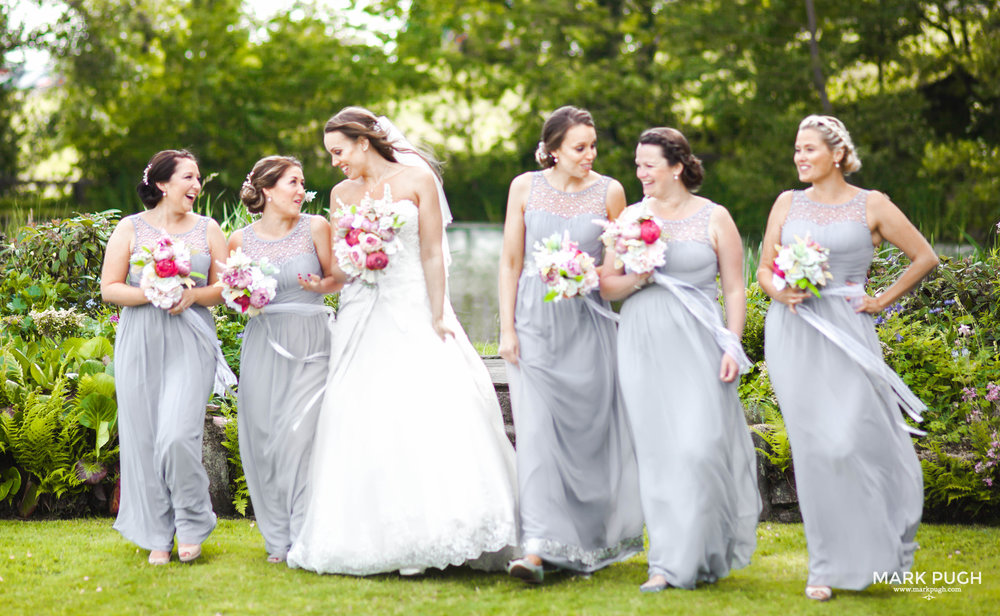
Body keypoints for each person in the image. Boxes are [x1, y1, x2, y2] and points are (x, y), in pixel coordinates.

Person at [286, 107, 518, 575]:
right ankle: (371, 536)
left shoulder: (417, 181)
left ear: (362, 142)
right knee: (361, 413)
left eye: (338, 151)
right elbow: (344, 265)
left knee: (430, 407)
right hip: (362, 311)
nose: (334, 162)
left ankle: (447, 527)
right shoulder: (341, 193)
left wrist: (437, 312)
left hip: (413, 302)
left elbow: (432, 252)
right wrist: (326, 284)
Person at [758, 115, 938, 601]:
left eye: (808, 149)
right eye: (796, 149)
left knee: (851, 440)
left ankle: (885, 538)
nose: (799, 157)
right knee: (814, 447)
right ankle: (823, 565)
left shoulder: (872, 204)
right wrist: (782, 290)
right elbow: (763, 269)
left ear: (837, 154)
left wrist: (880, 300)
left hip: (848, 329)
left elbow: (924, 256)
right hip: (794, 331)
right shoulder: (786, 203)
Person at [600, 127, 761, 592]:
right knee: (656, 452)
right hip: (643, 339)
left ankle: (703, 549)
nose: (639, 172)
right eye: (636, 164)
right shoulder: (630, 216)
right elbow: (608, 286)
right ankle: (667, 563)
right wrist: (640, 278)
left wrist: (732, 343)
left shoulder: (715, 217)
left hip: (699, 343)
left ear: (676, 166)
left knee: (698, 448)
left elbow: (734, 287)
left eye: (648, 164)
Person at [499, 106, 643, 582]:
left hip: (588, 325)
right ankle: (537, 548)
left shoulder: (611, 192)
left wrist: (587, 271)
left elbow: (617, 266)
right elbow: (510, 262)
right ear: (553, 150)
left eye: (593, 146)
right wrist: (507, 329)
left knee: (585, 434)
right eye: (580, 147)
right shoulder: (524, 187)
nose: (590, 155)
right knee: (537, 435)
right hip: (534, 322)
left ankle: (580, 541)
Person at [100, 150, 230, 565]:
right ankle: (157, 531)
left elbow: (225, 288)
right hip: (140, 339)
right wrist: (152, 292)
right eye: (188, 177)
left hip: (191, 339)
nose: (196, 185)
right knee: (143, 439)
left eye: (198, 178)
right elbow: (109, 288)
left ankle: (192, 521)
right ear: (161, 183)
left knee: (177, 435)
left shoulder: (209, 229)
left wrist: (190, 294)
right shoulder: (130, 228)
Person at [230, 156, 344, 563]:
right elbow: (233, 295)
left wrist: (322, 284)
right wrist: (244, 298)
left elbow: (337, 278)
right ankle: (276, 538)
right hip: (263, 342)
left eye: (302, 183)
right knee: (264, 439)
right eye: (292, 183)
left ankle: (302, 532)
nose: (301, 191)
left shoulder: (316, 227)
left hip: (311, 341)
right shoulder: (239, 241)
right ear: (266, 190)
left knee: (301, 436)